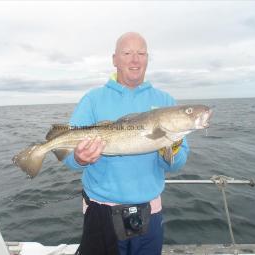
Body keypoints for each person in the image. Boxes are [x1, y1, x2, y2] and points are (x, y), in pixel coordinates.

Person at [63, 32, 189, 255]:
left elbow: (175, 165)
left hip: (150, 212)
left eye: (141, 53)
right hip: (102, 212)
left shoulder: (166, 103)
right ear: (114, 59)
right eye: (127, 53)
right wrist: (78, 158)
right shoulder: (93, 99)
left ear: (147, 59)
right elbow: (68, 157)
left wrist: (171, 143)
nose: (135, 59)